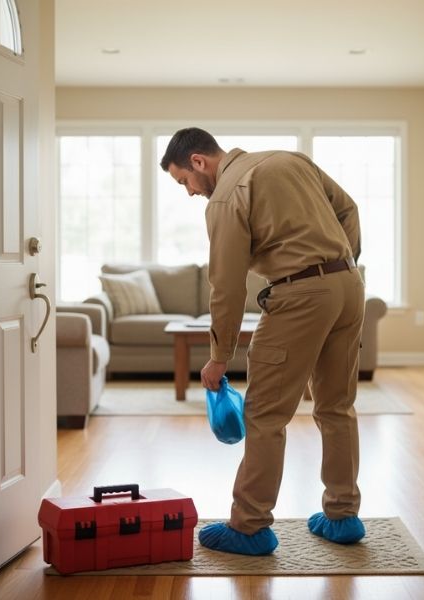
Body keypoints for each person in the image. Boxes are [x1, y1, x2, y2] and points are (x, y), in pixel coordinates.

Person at [160, 128, 366, 556]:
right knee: (336, 405)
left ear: (199, 162)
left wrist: (219, 358)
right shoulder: (290, 159)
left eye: (184, 181)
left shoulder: (226, 195)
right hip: (349, 286)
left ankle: (249, 526)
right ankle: (343, 516)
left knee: (265, 414)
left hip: (299, 296)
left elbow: (226, 285)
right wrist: (340, 264)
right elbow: (348, 208)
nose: (190, 192)